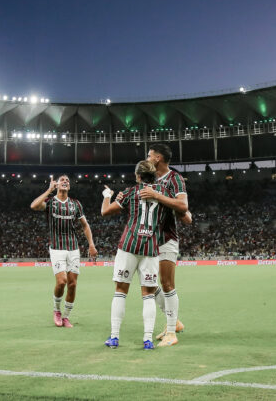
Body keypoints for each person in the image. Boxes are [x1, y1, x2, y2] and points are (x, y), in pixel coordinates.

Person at [101, 160, 191, 350]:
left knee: (120, 291)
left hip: (128, 245)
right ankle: (148, 340)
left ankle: (115, 337)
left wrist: (107, 195)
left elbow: (105, 211)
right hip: (151, 248)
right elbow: (186, 216)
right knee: (148, 294)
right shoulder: (165, 194)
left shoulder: (130, 192)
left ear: (138, 176)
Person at [30, 174, 97, 328]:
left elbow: (85, 225)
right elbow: (34, 206)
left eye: (67, 180)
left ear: (69, 186)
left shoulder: (76, 204)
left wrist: (91, 244)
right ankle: (56, 310)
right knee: (62, 282)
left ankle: (66, 316)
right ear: (57, 185)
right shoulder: (50, 202)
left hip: (73, 248)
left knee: (72, 284)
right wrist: (49, 190)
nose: (65, 181)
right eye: (62, 180)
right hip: (56, 247)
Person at [143, 144, 192, 347]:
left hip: (166, 238)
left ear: (158, 158)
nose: (146, 158)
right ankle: (175, 322)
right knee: (149, 284)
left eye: (149, 155)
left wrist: (157, 196)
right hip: (147, 239)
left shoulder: (175, 178)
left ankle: (171, 332)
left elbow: (183, 206)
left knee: (167, 284)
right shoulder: (149, 179)